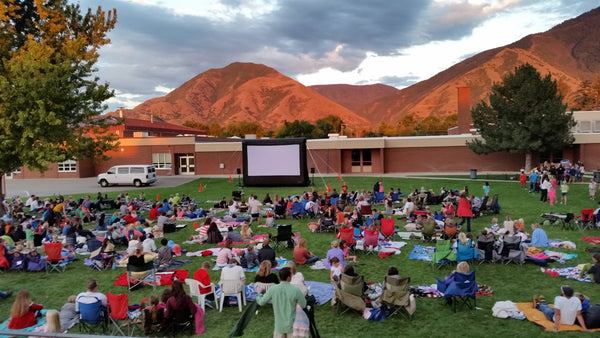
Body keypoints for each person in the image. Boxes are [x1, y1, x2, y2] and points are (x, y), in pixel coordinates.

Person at [256, 267, 307, 338]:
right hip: (292, 326)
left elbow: (261, 302)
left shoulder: (273, 289)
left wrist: (259, 294)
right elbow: (304, 304)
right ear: (288, 277)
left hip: (279, 326)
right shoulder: (295, 290)